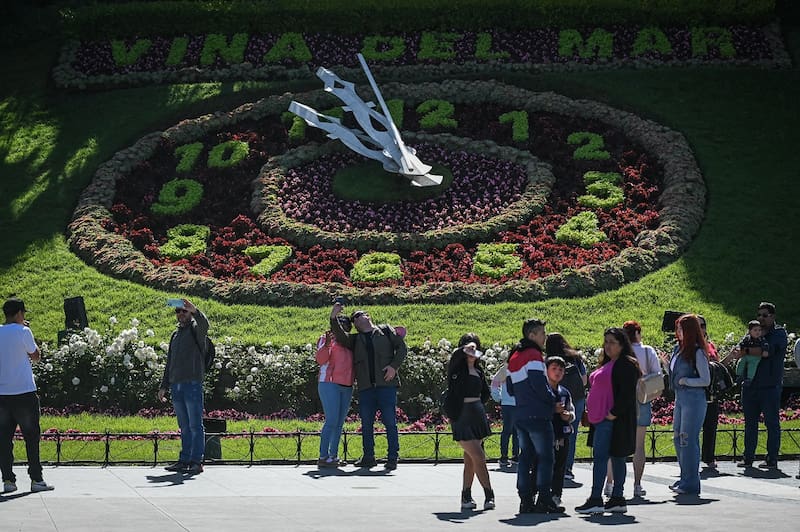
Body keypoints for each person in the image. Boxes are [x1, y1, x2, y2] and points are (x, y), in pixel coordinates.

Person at [330, 304, 407, 470]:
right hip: (366, 388)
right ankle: (369, 457)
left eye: (358, 315)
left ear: (368, 315)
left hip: (386, 385)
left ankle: (393, 457)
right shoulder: (355, 339)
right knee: (366, 423)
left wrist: (394, 367)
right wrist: (333, 317)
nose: (355, 319)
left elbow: (401, 348)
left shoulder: (385, 331)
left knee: (389, 422)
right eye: (353, 319)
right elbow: (340, 336)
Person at [575, 327, 639, 514]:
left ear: (622, 344)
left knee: (604, 458)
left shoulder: (625, 364)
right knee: (614, 457)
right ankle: (617, 499)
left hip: (611, 419)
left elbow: (627, 394)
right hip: (602, 419)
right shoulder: (609, 363)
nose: (607, 346)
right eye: (606, 342)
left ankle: (597, 498)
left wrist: (612, 413)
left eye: (612, 342)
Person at [506, 318, 563, 514]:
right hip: (538, 414)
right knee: (546, 457)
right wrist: (552, 399)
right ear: (532, 335)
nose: (545, 338)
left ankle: (525, 500)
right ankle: (544, 499)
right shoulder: (533, 355)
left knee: (525, 457)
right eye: (542, 334)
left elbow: (510, 388)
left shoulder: (514, 355)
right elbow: (540, 384)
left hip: (521, 414)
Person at [0, 297, 55, 493]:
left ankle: (8, 480)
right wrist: (26, 332)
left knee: (4, 439)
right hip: (24, 392)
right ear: (19, 313)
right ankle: (36, 479)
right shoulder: (24, 331)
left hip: (2, 393)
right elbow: (36, 356)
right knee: (31, 437)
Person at [732, 302, 787, 469]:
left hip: (770, 386)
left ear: (772, 316)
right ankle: (748, 457)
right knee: (750, 423)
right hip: (750, 385)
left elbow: (767, 353)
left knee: (771, 423)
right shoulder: (753, 333)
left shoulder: (778, 334)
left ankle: (772, 458)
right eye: (759, 315)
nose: (761, 319)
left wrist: (746, 351)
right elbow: (739, 350)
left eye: (765, 315)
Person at [158, 298, 210, 475]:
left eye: (184, 311)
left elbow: (204, 324)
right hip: (176, 385)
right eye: (178, 311)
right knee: (184, 426)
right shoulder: (175, 335)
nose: (180, 314)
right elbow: (170, 362)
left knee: (195, 425)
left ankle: (196, 461)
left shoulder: (196, 330)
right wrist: (164, 385)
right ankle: (184, 460)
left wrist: (195, 311)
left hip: (192, 384)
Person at [445, 334, 495, 511]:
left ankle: (466, 495)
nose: (473, 352)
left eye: (475, 349)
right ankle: (489, 494)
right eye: (469, 349)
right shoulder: (457, 370)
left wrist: (479, 404)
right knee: (479, 456)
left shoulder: (479, 371)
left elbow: (486, 392)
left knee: (471, 459)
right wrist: (465, 349)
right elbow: (454, 361)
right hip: (461, 415)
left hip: (477, 414)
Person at [668, 314, 711, 495]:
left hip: (693, 399)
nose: (678, 332)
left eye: (681, 328)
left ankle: (692, 481)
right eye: (677, 328)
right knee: (678, 439)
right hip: (680, 398)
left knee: (688, 439)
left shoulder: (697, 351)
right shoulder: (678, 350)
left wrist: (687, 381)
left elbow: (705, 380)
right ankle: (684, 477)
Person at [622, 320, 661, 497]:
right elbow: (658, 375)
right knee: (639, 445)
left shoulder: (620, 352)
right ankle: (637, 485)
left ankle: (611, 483)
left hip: (622, 399)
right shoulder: (647, 351)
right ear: (638, 333)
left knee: (618, 443)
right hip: (642, 398)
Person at [530, 356, 575, 508]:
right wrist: (552, 410)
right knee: (540, 465)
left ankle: (556, 494)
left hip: (562, 434)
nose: (557, 372)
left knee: (560, 466)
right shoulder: (542, 391)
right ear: (546, 371)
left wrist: (568, 416)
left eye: (561, 370)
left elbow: (571, 411)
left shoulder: (565, 392)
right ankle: (535, 494)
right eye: (554, 369)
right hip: (545, 434)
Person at [544, 332, 586, 481]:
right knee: (571, 434)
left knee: (551, 432)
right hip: (577, 398)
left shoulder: (548, 361)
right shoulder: (575, 357)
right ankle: (567, 468)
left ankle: (552, 465)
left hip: (556, 398)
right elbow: (584, 380)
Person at [315, 313, 355, 468]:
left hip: (347, 385)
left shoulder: (349, 342)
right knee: (331, 420)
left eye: (346, 325)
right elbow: (320, 360)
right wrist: (327, 345)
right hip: (329, 383)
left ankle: (334, 456)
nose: (344, 328)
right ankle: (323, 456)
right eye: (340, 324)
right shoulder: (325, 339)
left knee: (339, 423)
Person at [698, 315, 720, 469]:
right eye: (697, 325)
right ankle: (690, 458)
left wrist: (731, 356)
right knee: (692, 428)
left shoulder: (710, 345)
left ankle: (709, 457)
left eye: (703, 325)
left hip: (711, 390)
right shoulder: (690, 346)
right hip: (697, 390)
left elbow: (718, 367)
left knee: (711, 425)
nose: (701, 329)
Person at [490, 362, 518, 468]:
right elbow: (495, 383)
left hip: (516, 404)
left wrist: (497, 397)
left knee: (516, 431)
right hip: (509, 404)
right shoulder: (505, 369)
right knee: (508, 430)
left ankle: (514, 456)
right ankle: (504, 456)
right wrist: (497, 397)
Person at [735, 320, 770, 385]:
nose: (758, 332)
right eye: (755, 330)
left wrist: (765, 350)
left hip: (755, 357)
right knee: (741, 362)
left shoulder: (761, 339)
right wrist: (739, 348)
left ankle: (749, 379)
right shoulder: (747, 338)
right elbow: (741, 343)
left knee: (752, 366)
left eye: (759, 330)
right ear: (750, 331)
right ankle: (739, 375)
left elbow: (765, 345)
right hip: (746, 355)